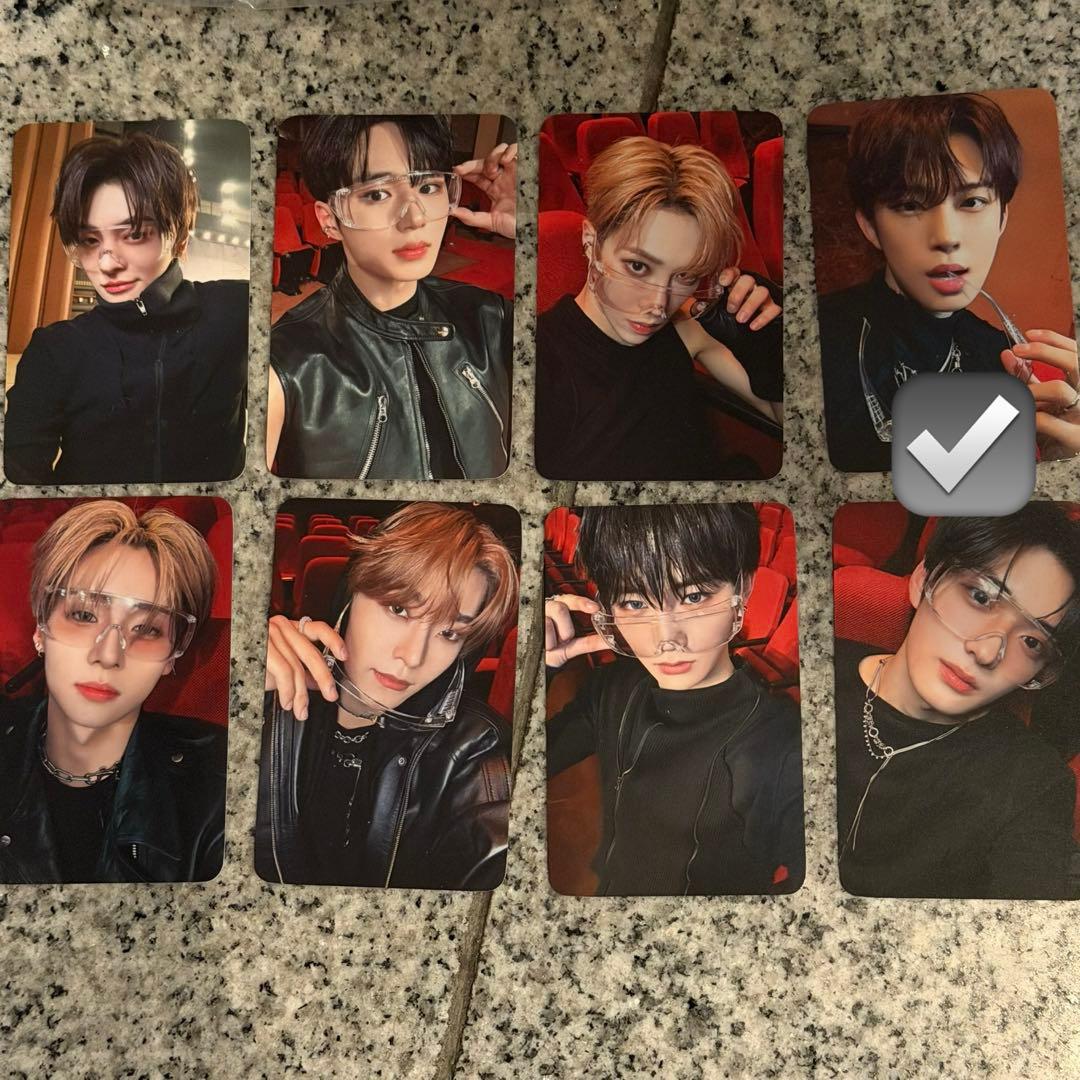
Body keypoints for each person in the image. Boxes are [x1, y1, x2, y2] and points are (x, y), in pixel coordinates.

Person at [544, 504, 804, 896]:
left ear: (744, 588)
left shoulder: (781, 745)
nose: (667, 640)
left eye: (694, 597)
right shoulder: (613, 688)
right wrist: (539, 668)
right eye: (634, 603)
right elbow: (505, 775)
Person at [255, 503, 519, 890]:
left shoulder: (475, 751)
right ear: (350, 594)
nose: (412, 657)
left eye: (449, 633)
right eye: (399, 609)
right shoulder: (263, 696)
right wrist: (234, 683)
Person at [816, 93, 1080, 472]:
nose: (946, 237)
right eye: (910, 205)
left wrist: (1056, 467)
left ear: (1002, 218)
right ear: (870, 226)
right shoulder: (818, 338)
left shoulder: (1001, 358)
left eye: (971, 202)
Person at [835, 504, 1080, 899]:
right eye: (981, 597)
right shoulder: (809, 679)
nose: (987, 652)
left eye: (1032, 641)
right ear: (924, 580)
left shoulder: (1033, 783)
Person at [267, 115, 516, 480]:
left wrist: (528, 229)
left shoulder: (490, 317)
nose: (414, 218)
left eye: (428, 187)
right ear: (329, 220)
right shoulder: (289, 363)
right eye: (377, 194)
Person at [535, 134, 784, 481]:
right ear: (591, 243)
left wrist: (771, 352)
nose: (658, 305)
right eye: (638, 266)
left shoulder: (688, 326)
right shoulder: (539, 358)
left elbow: (783, 417)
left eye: (685, 275)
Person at [0, 500, 226, 883]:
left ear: (172, 654)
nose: (108, 655)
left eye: (147, 630)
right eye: (84, 615)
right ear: (40, 629)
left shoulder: (217, 782)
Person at [5, 131, 248, 484]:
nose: (107, 264)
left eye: (134, 234)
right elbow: (21, 479)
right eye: (89, 240)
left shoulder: (236, 312)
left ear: (179, 235)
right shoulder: (55, 349)